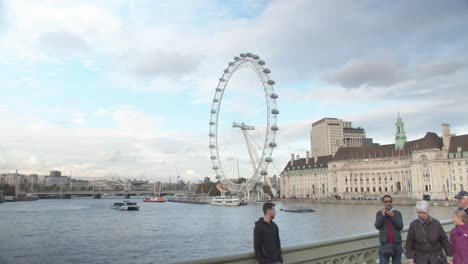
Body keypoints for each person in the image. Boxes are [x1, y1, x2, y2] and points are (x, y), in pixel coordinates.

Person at [375, 194, 404, 264]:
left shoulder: (397, 213)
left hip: (397, 243)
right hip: (384, 244)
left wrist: (393, 216)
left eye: (390, 201)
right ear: (383, 203)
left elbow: (400, 226)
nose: (388, 203)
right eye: (386, 201)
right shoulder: (379, 213)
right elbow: (377, 226)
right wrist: (382, 215)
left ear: (392, 202)